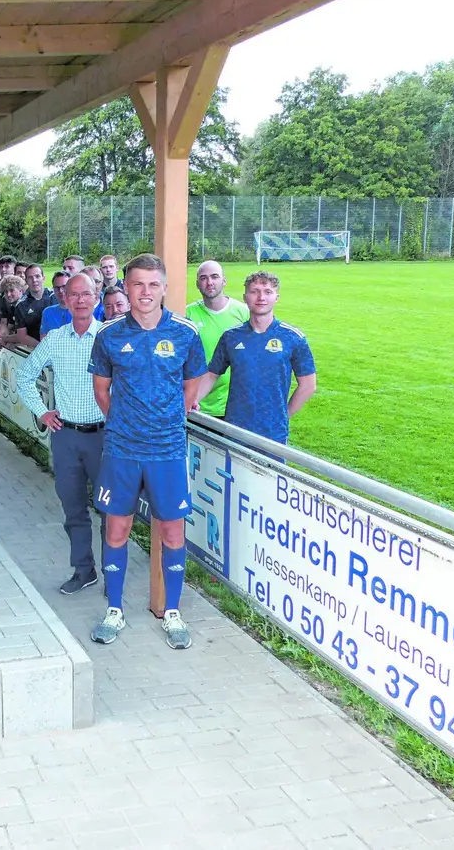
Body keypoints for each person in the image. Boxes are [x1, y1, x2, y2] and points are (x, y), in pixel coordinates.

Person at [87, 253, 206, 651]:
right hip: (121, 448)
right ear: (125, 286)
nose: (145, 292)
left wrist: (165, 420)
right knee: (116, 528)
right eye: (137, 284)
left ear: (165, 288)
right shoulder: (109, 335)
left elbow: (191, 390)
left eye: (153, 284)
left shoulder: (186, 333)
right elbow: (101, 390)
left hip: (168, 449)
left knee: (173, 531)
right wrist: (124, 421)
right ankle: (115, 609)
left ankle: (172, 610)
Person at [15, 273, 107, 595]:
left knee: (110, 509)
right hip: (65, 436)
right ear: (64, 300)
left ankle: (114, 572)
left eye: (87, 294)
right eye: (74, 295)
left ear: (97, 297)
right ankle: (84, 570)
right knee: (73, 508)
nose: (81, 300)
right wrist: (42, 411)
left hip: (103, 437)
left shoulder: (109, 337)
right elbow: (24, 377)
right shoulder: (54, 339)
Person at [193, 271, 317, 449]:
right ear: (245, 297)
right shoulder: (231, 337)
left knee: (267, 476)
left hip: (273, 433)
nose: (261, 297)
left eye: (268, 292)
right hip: (235, 428)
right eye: (254, 291)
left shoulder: (293, 337)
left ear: (276, 297)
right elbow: (212, 373)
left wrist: (283, 415)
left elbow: (308, 385)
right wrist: (193, 399)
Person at [184, 260, 251, 420]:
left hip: (235, 403)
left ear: (224, 281)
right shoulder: (188, 314)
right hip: (198, 404)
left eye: (214, 277)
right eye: (203, 278)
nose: (209, 282)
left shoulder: (243, 313)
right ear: (197, 284)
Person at [40, 270, 106, 335]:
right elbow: (43, 337)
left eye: (64, 286)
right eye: (57, 288)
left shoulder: (86, 310)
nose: (61, 290)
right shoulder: (48, 312)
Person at [0, 275, 30, 349]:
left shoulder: (26, 304)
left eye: (12, 290)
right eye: (6, 291)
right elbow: (3, 323)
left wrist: (5, 339)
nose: (8, 294)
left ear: (20, 290)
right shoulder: (4, 300)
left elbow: (25, 335)